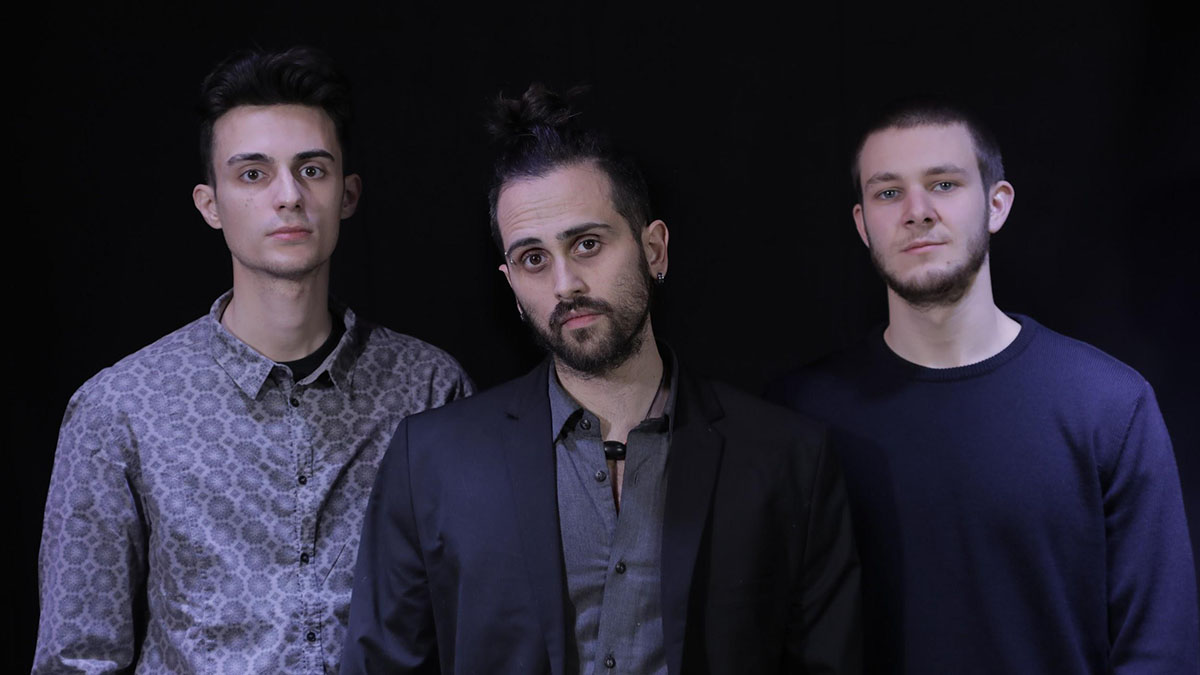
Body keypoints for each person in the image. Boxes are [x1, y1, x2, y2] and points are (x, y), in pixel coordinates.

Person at [340, 84, 861, 674]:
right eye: (534, 259)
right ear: (511, 283)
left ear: (654, 249)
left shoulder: (786, 458)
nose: (565, 284)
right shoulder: (431, 460)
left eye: (587, 244)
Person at [33, 47, 473, 674]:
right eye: (252, 174)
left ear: (348, 194)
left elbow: (473, 626)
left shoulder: (430, 389)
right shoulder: (118, 410)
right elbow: (77, 659)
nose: (288, 196)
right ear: (209, 204)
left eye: (312, 170)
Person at [767, 103, 1199, 673]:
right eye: (888, 193)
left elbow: (1161, 650)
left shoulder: (1109, 405)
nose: (917, 212)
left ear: (997, 204)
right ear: (862, 223)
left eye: (943, 184)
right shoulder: (799, 417)